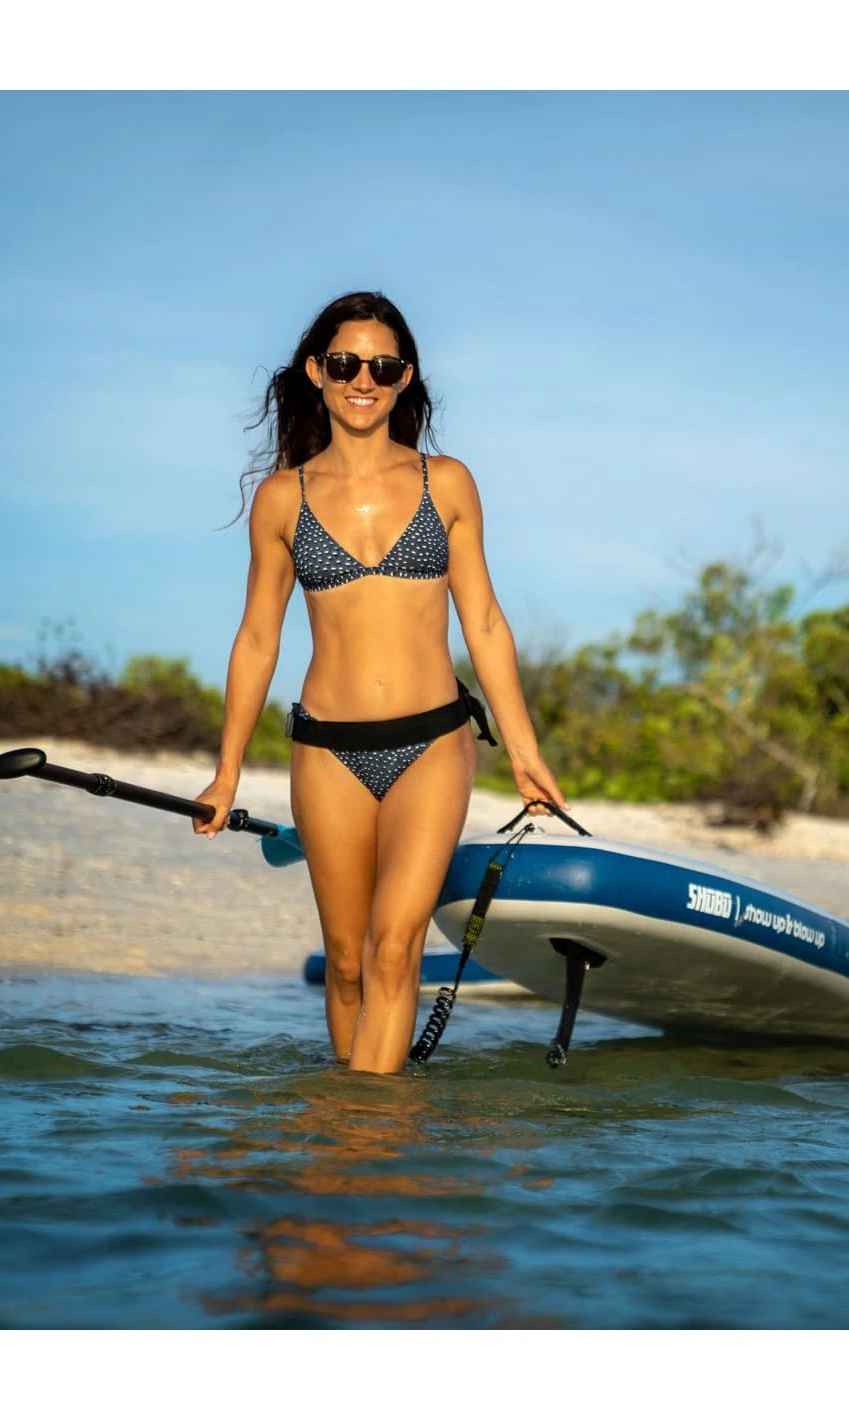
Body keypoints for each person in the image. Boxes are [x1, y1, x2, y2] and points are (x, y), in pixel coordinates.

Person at [193, 291, 567, 1074]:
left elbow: (485, 622)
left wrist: (525, 752)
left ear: (406, 378)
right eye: (345, 364)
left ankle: (372, 1133)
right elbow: (257, 639)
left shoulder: (448, 483)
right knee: (347, 959)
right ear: (316, 372)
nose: (363, 380)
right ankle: (352, 1133)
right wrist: (226, 773)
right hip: (326, 750)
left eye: (382, 367)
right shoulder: (282, 499)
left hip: (433, 742)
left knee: (394, 949)